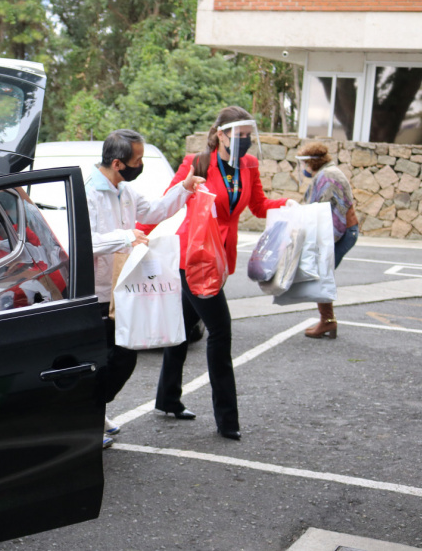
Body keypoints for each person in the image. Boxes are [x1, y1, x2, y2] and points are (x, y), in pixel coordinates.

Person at [153, 106, 294, 441]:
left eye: (248, 136)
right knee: (220, 332)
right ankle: (227, 420)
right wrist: (137, 233)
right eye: (238, 135)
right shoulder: (196, 163)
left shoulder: (249, 165)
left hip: (220, 258)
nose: (244, 141)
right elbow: (169, 202)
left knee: (184, 328)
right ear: (220, 134)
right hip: (195, 257)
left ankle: (167, 398)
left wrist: (287, 204)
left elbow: (258, 207)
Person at [87, 129, 203, 448]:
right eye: (137, 160)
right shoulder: (88, 193)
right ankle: (90, 416)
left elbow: (154, 212)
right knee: (105, 359)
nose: (140, 165)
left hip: (122, 289)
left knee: (124, 358)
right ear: (117, 163)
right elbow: (82, 242)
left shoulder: (124, 190)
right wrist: (125, 237)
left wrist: (184, 188)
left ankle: (94, 410)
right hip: (96, 293)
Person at [296, 142, 359, 339]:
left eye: (306, 163)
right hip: (343, 231)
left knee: (321, 273)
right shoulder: (325, 174)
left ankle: (327, 322)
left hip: (343, 232)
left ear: (313, 162)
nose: (304, 168)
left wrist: (319, 242)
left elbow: (328, 213)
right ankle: (327, 321)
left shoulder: (328, 176)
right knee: (321, 273)